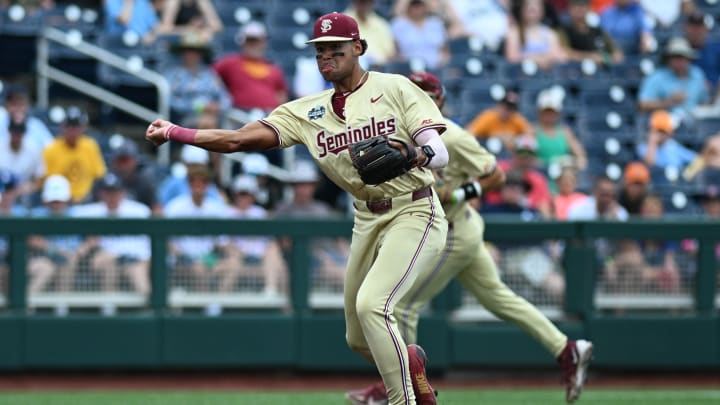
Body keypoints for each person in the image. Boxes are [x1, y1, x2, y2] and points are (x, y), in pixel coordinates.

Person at [147, 12, 450, 404]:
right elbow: (238, 140)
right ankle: (410, 365)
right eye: (320, 52)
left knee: (374, 306)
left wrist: (413, 153)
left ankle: (404, 401)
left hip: (414, 208)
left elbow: (439, 153)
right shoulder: (307, 112)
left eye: (335, 50)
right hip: (366, 216)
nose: (326, 58)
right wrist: (176, 132)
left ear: (358, 48)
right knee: (359, 337)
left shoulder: (395, 88)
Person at [346, 72, 594, 405]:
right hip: (452, 228)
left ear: (440, 100)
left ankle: (402, 388)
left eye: (428, 95)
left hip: (452, 232)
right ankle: (566, 349)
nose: (420, 99)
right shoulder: (396, 134)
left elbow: (496, 175)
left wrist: (461, 193)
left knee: (402, 305)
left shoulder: (452, 136)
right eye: (415, 92)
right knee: (497, 297)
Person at [273, 161, 349, 293]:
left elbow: (338, 239)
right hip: (303, 261)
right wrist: (319, 256)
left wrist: (350, 256)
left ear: (313, 186)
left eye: (307, 184)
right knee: (339, 273)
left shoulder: (322, 209)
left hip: (330, 256)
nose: (303, 189)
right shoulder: (283, 210)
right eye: (299, 185)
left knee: (352, 268)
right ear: (293, 187)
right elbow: (284, 244)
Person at [72, 174, 152, 296]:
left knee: (137, 273)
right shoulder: (90, 212)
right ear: (101, 194)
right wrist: (90, 239)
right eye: (108, 192)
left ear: (123, 192)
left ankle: (150, 310)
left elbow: (149, 245)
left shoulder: (139, 211)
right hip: (108, 258)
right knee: (107, 265)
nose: (112, 196)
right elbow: (64, 212)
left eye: (115, 192)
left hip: (135, 259)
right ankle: (109, 310)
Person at [214, 175, 287, 295]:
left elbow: (269, 241)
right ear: (235, 194)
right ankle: (218, 305)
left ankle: (273, 294)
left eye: (247, 194)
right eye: (241, 194)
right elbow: (222, 242)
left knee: (277, 259)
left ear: (253, 196)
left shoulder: (260, 213)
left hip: (260, 257)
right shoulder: (226, 213)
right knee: (233, 261)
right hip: (235, 257)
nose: (244, 198)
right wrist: (237, 250)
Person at [164, 165, 231, 292]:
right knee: (199, 268)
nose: (198, 185)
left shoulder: (217, 208)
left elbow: (222, 242)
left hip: (208, 258)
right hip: (181, 260)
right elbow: (167, 241)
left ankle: (218, 303)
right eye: (194, 181)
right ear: (188, 184)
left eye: (203, 182)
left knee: (232, 265)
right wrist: (183, 255)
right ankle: (205, 308)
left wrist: (231, 253)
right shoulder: (175, 207)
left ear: (208, 185)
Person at [213, 21, 288, 112]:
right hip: (239, 115)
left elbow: (281, 95)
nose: (253, 45)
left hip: (268, 117)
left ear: (264, 43)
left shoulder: (274, 69)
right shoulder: (229, 63)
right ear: (242, 43)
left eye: (257, 41)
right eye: (250, 41)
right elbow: (210, 77)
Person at [163, 32, 232, 131]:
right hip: (183, 119)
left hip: (212, 116)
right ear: (182, 52)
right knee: (207, 122)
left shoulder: (210, 75)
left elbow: (226, 98)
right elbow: (170, 101)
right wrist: (199, 107)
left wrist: (217, 107)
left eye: (196, 51)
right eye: (188, 50)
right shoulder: (172, 75)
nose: (192, 54)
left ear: (201, 54)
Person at [27, 175, 81, 294]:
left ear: (67, 200)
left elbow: (89, 240)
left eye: (59, 201)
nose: (56, 205)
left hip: (68, 258)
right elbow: (30, 239)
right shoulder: (35, 216)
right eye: (53, 201)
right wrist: (53, 249)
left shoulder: (76, 216)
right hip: (40, 257)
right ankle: (25, 308)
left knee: (68, 262)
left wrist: (74, 253)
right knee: (45, 268)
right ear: (45, 200)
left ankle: (61, 306)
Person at [42, 107, 107, 203]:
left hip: (87, 200)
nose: (72, 130)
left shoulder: (90, 146)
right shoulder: (51, 149)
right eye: (69, 126)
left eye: (76, 126)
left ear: (83, 128)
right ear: (62, 127)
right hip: (60, 202)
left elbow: (99, 175)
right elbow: (47, 181)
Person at [637, 37, 709, 118]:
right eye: (675, 56)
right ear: (669, 58)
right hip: (665, 125)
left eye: (683, 56)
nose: (679, 60)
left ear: (689, 58)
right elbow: (642, 105)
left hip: (695, 123)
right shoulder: (657, 77)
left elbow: (704, 102)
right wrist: (669, 101)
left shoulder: (697, 75)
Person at [533, 88, 588, 170]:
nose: (549, 115)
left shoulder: (565, 132)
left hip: (561, 177)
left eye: (552, 112)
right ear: (539, 112)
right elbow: (525, 158)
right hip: (539, 176)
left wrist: (570, 163)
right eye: (546, 111)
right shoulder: (532, 131)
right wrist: (547, 164)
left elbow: (580, 156)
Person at [505, 0, 567, 70]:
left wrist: (531, 58)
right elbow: (512, 59)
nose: (533, 7)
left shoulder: (550, 33)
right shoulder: (514, 32)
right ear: (521, 9)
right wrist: (539, 59)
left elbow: (562, 57)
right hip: (520, 77)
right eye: (529, 5)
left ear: (543, 9)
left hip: (547, 77)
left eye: (537, 5)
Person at [558, 0, 623, 66]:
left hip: (600, 73)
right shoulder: (563, 31)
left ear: (589, 8)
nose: (579, 10)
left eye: (583, 6)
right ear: (569, 9)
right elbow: (565, 53)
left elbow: (617, 55)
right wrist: (591, 57)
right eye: (576, 6)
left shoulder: (598, 31)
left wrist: (605, 58)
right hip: (570, 72)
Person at [465, 90, 533, 151]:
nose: (507, 110)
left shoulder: (516, 118)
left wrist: (515, 140)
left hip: (510, 159)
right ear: (499, 105)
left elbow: (530, 136)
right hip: (488, 153)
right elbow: (469, 133)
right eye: (506, 106)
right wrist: (493, 137)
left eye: (511, 108)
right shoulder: (489, 117)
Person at [390, 0, 449, 70]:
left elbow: (445, 50)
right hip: (409, 68)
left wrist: (443, 63)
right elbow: (395, 52)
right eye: (414, 6)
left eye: (420, 5)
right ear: (408, 6)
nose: (417, 9)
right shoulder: (398, 24)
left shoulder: (435, 23)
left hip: (436, 68)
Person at [344, 0, 397, 68]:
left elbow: (391, 54)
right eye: (361, 1)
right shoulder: (343, 21)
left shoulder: (381, 23)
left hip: (380, 69)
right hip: (354, 68)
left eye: (368, 1)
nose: (365, 4)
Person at [0, 84, 53, 150]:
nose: (18, 108)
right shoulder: (1, 123)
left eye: (21, 104)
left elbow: (51, 151)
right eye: (14, 104)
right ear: (6, 105)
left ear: (27, 105)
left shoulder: (36, 125)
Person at [684, 10, 720, 94]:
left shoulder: (716, 49)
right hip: (685, 94)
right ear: (685, 27)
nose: (695, 30)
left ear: (706, 28)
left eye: (699, 26)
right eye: (692, 26)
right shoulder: (677, 51)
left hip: (713, 95)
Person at [155, 0, 223, 42]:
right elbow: (165, 29)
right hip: (177, 43)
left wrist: (205, 29)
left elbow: (217, 26)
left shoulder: (202, 1)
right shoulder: (173, 2)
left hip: (196, 43)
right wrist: (190, 30)